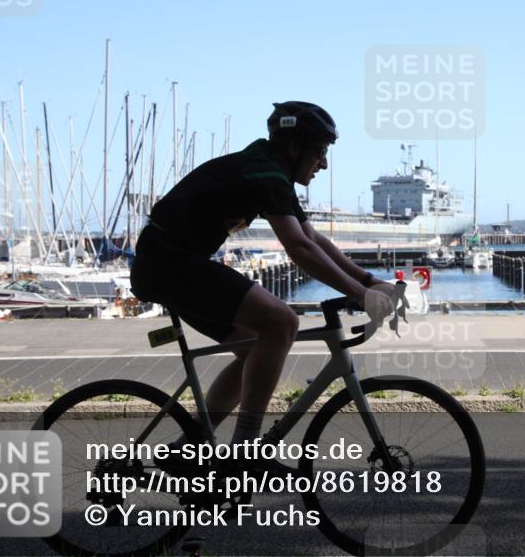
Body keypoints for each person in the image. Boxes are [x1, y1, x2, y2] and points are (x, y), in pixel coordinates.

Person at [130, 101, 397, 470]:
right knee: (282, 322)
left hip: (169, 262)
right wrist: (360, 295)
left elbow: (311, 236)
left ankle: (185, 448)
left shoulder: (269, 170)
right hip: (171, 262)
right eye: (320, 151)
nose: (324, 163)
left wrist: (369, 282)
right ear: (294, 148)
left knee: (254, 348)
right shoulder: (264, 171)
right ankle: (246, 453)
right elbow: (299, 247)